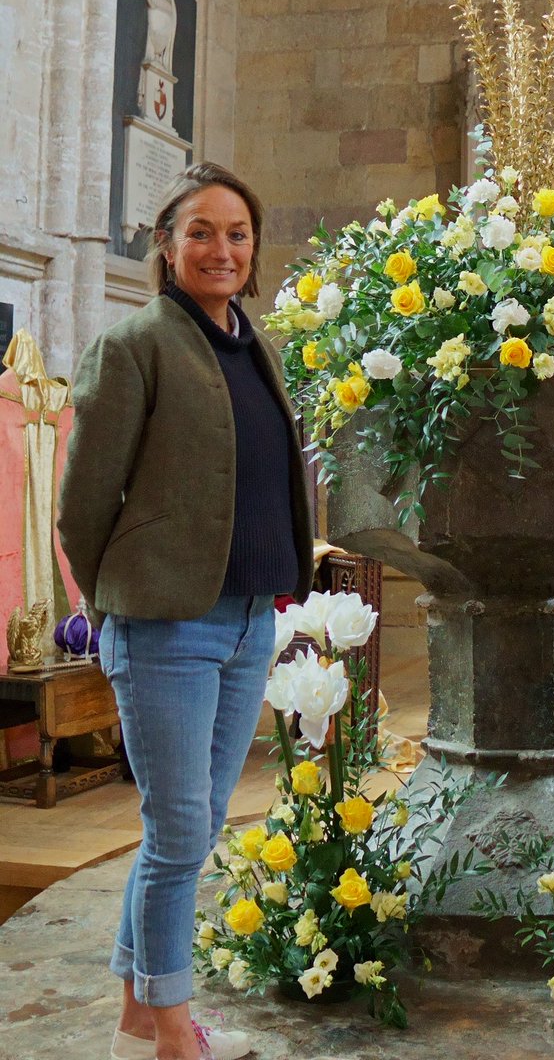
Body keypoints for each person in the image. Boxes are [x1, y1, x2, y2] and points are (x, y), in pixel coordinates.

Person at [58, 163, 313, 1060]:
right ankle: (172, 1032)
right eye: (200, 232)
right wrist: (114, 608)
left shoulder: (257, 345)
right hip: (167, 622)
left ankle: (137, 1018)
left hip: (247, 617)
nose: (221, 248)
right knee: (177, 834)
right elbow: (83, 504)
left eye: (237, 233)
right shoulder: (134, 346)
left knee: (194, 825)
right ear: (165, 247)